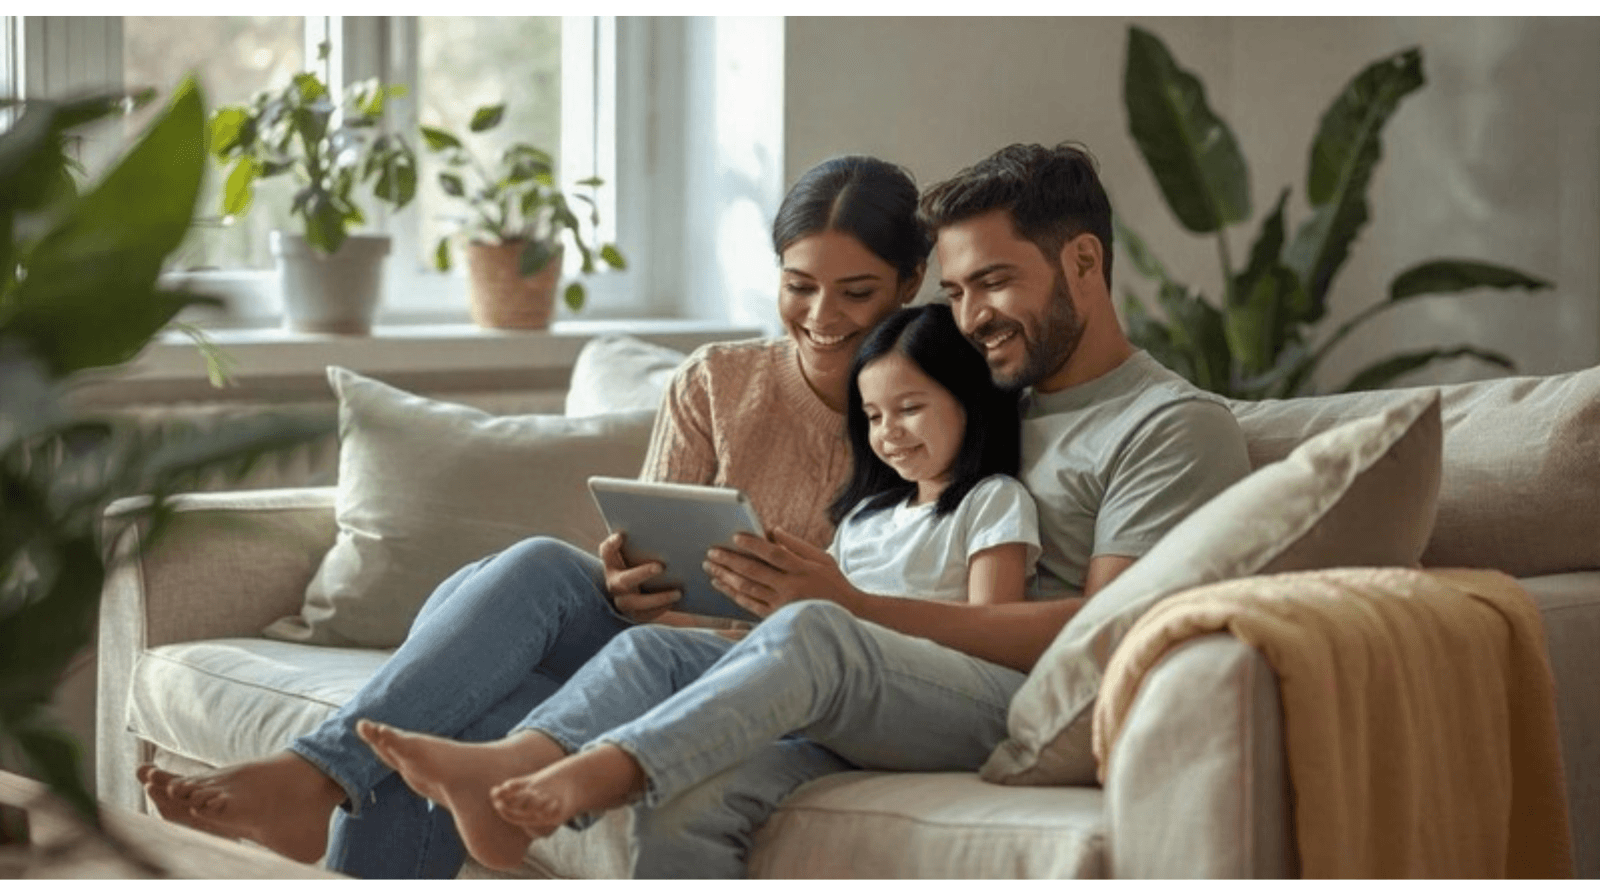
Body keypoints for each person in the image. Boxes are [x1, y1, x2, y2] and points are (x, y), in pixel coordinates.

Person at [334, 141, 1256, 878]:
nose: (972, 315)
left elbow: (1105, 631)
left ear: (1085, 261)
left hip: (989, 697)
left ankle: (569, 770)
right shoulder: (981, 391)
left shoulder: (1169, 427)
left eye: (996, 282)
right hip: (871, 677)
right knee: (656, 775)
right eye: (960, 289)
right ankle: (419, 769)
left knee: (806, 630)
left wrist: (845, 603)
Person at [135, 154, 933, 878]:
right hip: (659, 644)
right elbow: (650, 544)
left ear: (909, 282)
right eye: (799, 285)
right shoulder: (719, 380)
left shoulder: (940, 408)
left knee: (456, 727)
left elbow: (909, 598)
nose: (822, 314)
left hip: (769, 682)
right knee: (542, 567)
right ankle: (315, 776)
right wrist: (627, 582)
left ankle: (317, 778)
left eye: (856, 291)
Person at [356, 300, 1048, 868]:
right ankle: (514, 762)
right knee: (657, 679)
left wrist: (838, 609)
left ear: (968, 401)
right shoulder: (866, 516)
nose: (889, 434)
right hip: (837, 712)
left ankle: (596, 774)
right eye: (871, 417)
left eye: (911, 409)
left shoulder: (990, 501)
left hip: (949, 706)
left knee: (815, 626)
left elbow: (990, 637)